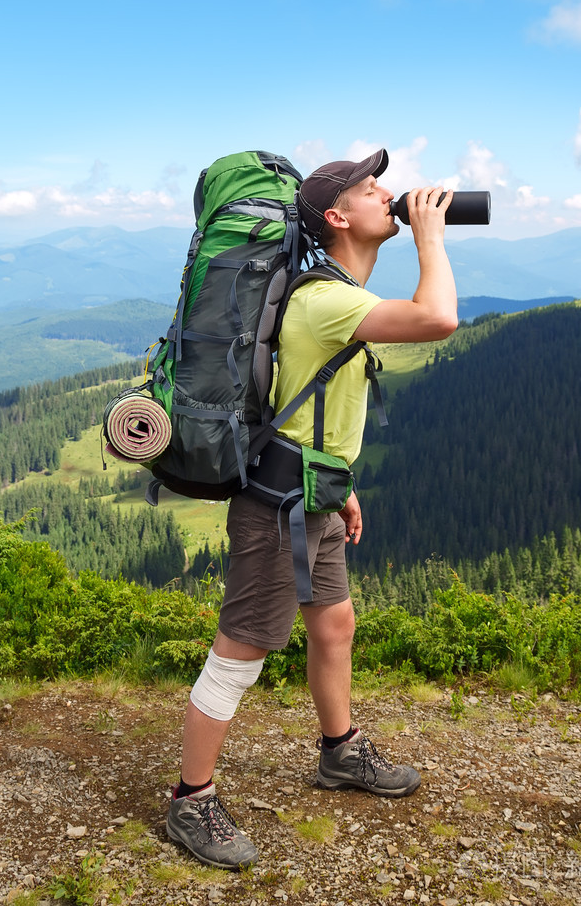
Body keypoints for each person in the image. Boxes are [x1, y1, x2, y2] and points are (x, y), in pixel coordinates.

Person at [166, 148, 459, 868]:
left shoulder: (335, 291)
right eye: (370, 187)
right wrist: (429, 237)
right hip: (277, 509)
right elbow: (438, 317)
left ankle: (340, 751)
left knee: (334, 623)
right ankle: (190, 799)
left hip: (314, 493)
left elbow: (307, 406)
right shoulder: (326, 299)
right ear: (337, 216)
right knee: (242, 649)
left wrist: (341, 485)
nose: (387, 193)